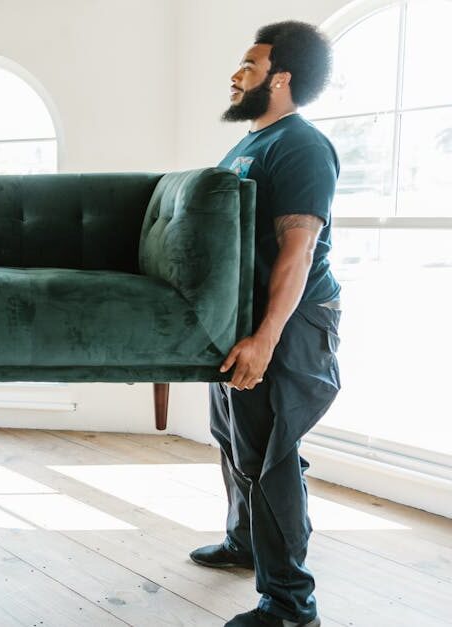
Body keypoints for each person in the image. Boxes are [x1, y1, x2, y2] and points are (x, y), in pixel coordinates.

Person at [188, 21, 342, 627]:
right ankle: (244, 543)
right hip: (242, 316)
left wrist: (265, 338)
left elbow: (297, 252)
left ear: (281, 78)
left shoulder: (301, 146)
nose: (236, 74)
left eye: (248, 66)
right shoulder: (253, 141)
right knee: (235, 443)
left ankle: (289, 605)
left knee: (272, 455)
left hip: (290, 323)